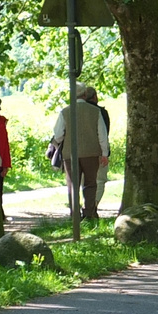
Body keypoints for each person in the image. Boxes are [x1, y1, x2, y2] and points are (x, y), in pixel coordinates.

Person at [53, 85, 109, 221]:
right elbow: (102, 134)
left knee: (73, 184)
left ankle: (75, 215)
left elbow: (58, 134)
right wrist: (104, 153)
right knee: (90, 184)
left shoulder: (65, 112)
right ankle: (89, 213)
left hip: (70, 154)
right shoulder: (95, 111)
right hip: (91, 153)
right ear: (85, 94)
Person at [82, 86, 112, 207]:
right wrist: (105, 153)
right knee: (99, 180)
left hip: (81, 152)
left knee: (84, 181)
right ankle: (92, 206)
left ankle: (86, 205)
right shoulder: (101, 113)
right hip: (98, 152)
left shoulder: (76, 112)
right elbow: (105, 134)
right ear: (95, 97)